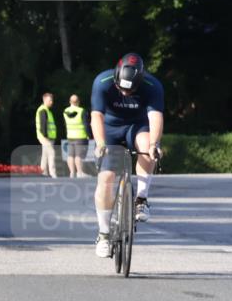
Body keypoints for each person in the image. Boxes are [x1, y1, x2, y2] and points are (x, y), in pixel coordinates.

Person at [90, 53, 164, 258]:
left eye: (129, 90)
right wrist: (101, 144)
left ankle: (141, 199)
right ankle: (104, 234)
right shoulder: (102, 82)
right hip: (110, 128)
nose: (124, 92)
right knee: (106, 178)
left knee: (147, 147)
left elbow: (155, 117)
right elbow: (96, 116)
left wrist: (154, 144)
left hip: (137, 126)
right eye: (120, 88)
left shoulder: (152, 86)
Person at [62, 94, 91, 178]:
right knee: (79, 155)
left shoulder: (65, 111)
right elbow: (86, 124)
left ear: (70, 102)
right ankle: (80, 172)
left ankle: (72, 173)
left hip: (70, 136)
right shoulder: (81, 111)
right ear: (78, 101)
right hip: (80, 136)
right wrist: (88, 135)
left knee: (70, 155)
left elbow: (65, 124)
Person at [35, 92, 58, 177]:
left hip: (48, 137)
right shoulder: (43, 110)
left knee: (45, 155)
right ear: (44, 100)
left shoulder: (47, 110)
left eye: (52, 100)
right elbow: (43, 124)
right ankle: (53, 173)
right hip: (45, 137)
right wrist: (45, 136)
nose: (51, 102)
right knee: (51, 153)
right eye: (50, 100)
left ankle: (43, 173)